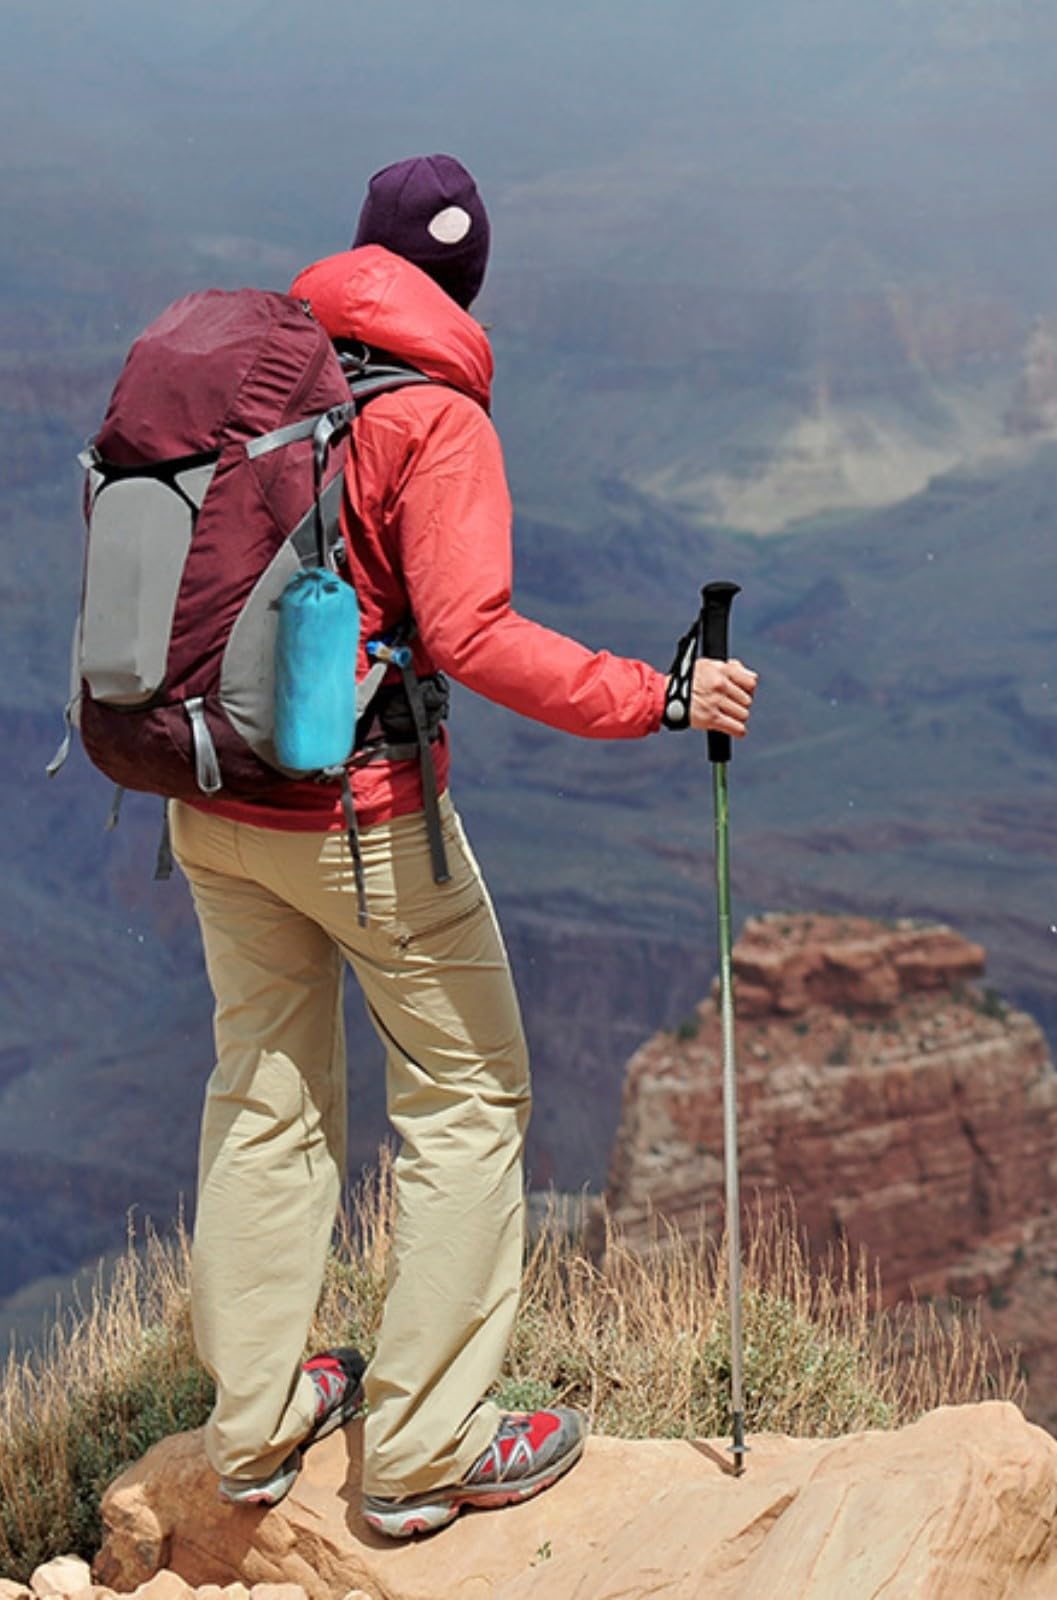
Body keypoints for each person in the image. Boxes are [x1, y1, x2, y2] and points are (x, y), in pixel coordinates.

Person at [167, 152, 758, 1539]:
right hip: (362, 826)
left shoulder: (254, 379)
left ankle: (253, 1431)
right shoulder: (433, 418)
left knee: (262, 1090)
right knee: (469, 1095)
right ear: (468, 283)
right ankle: (427, 1449)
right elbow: (474, 635)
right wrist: (660, 699)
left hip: (206, 803)